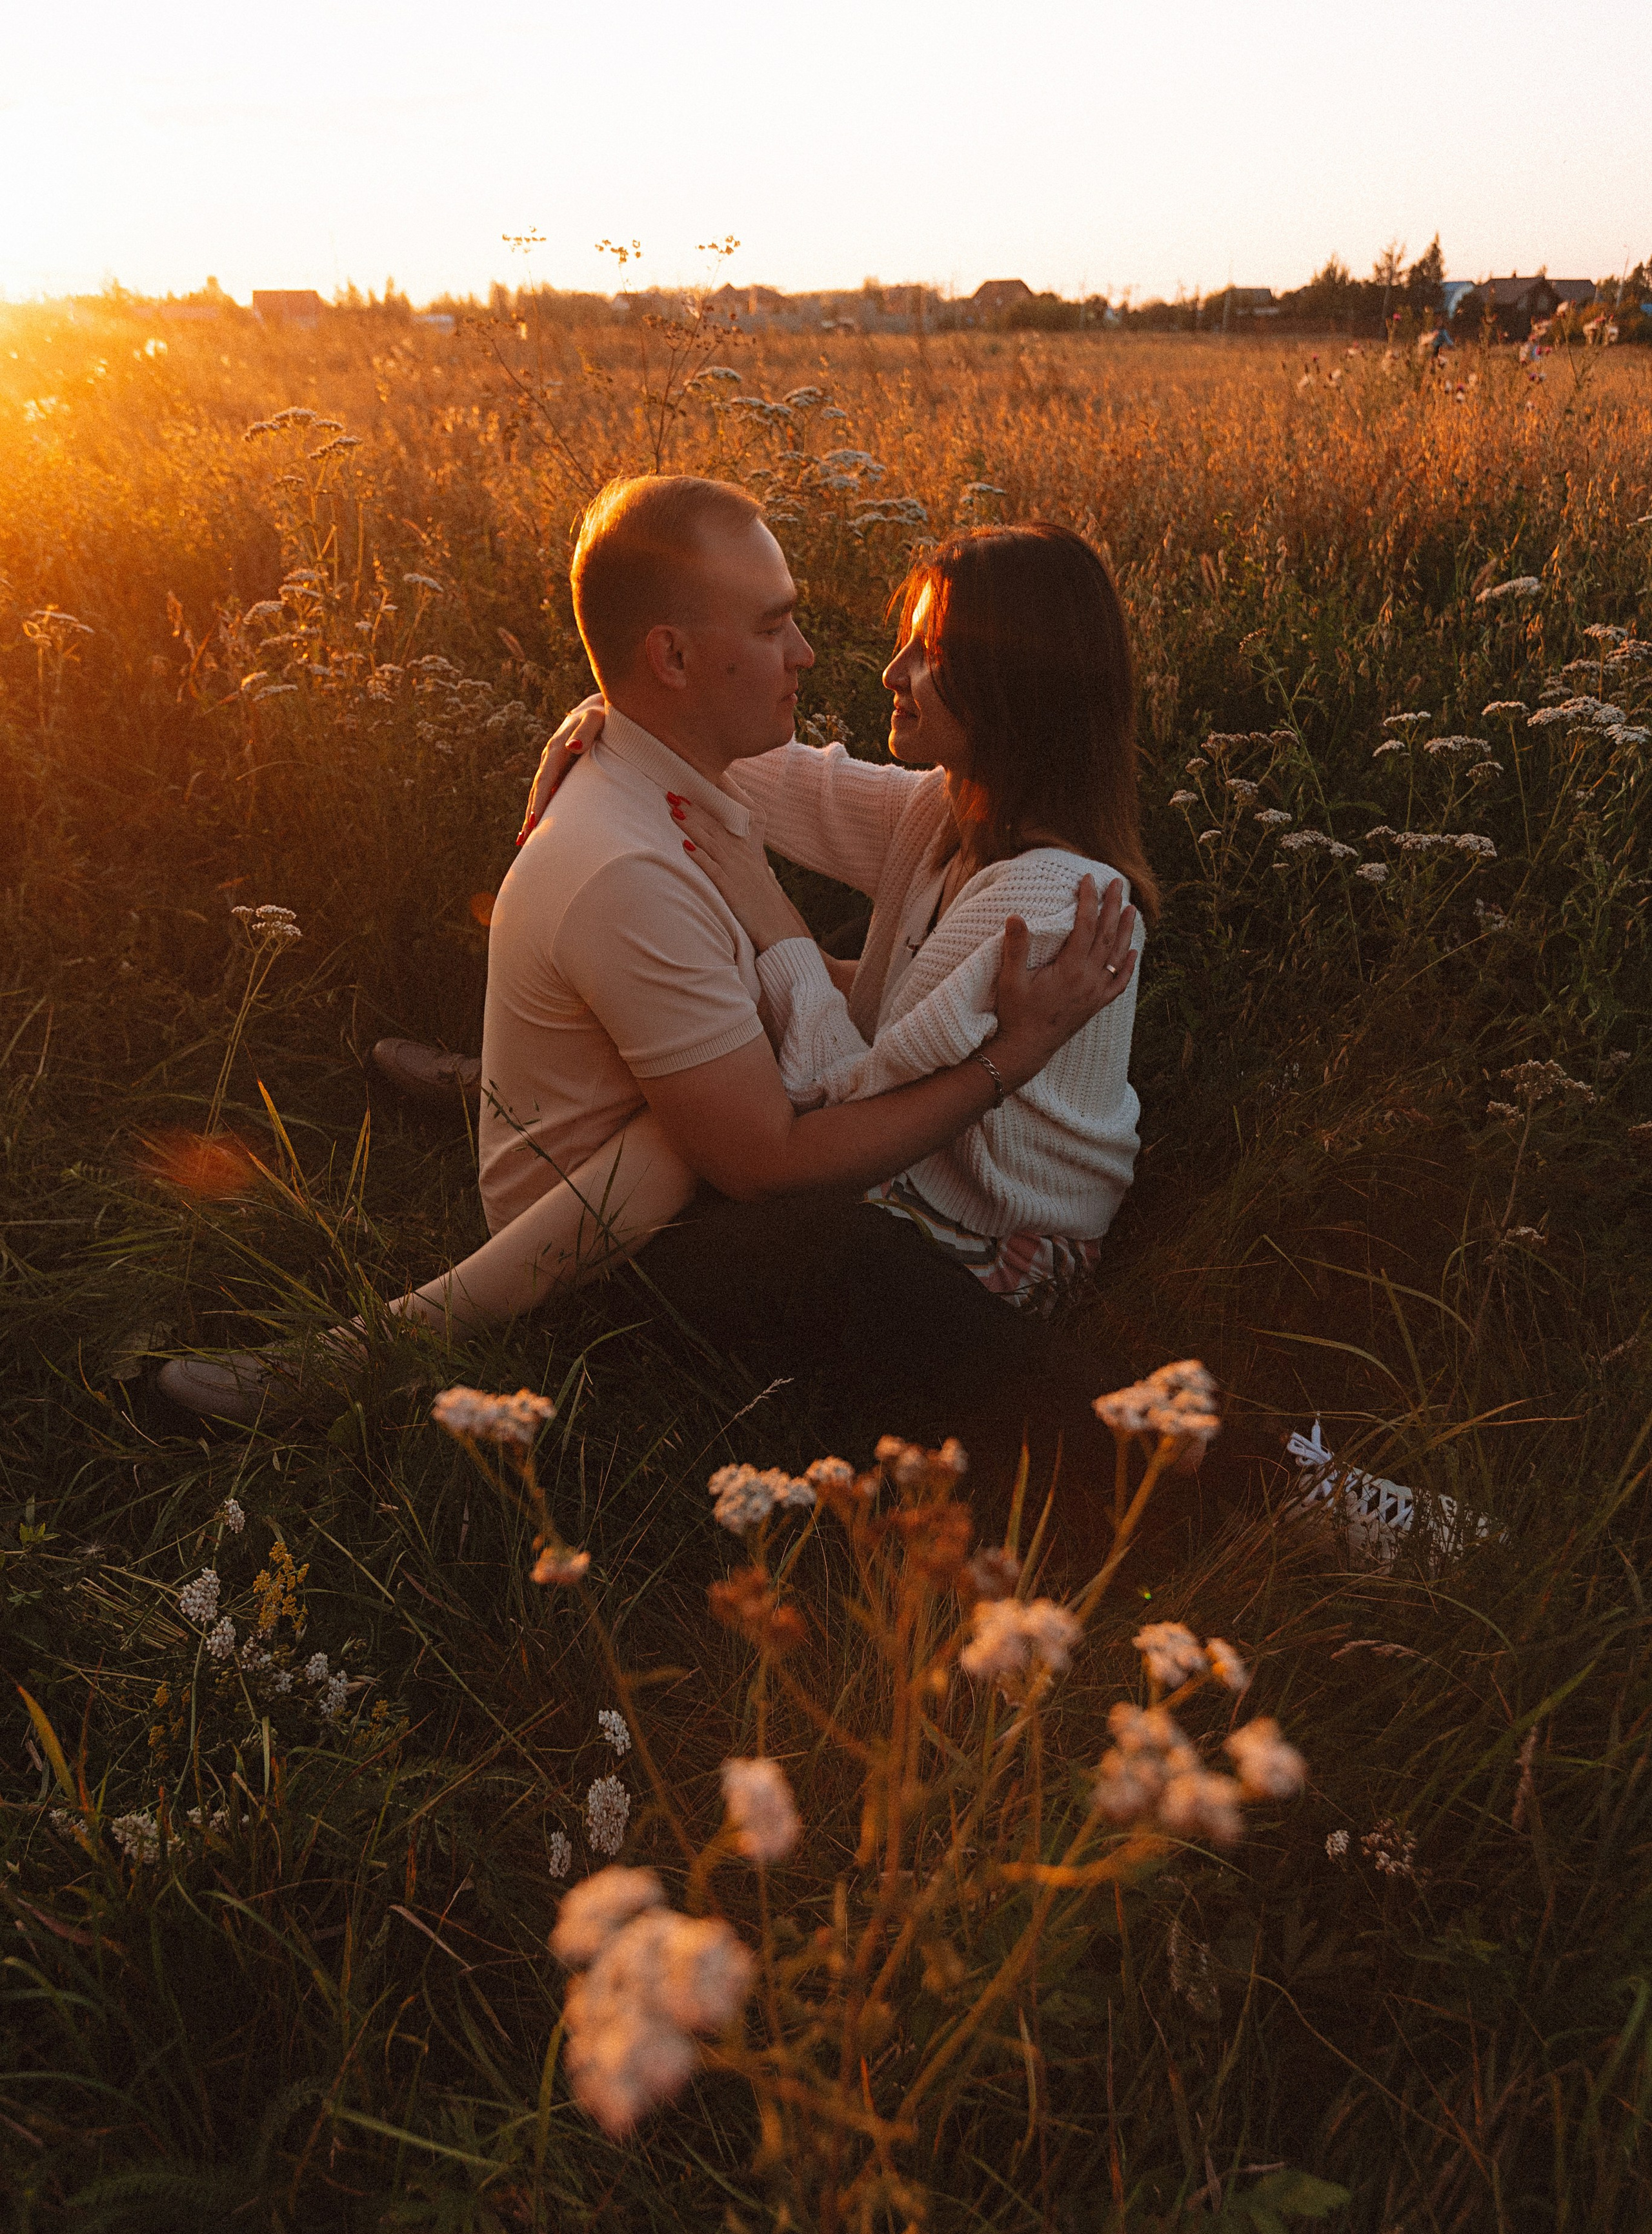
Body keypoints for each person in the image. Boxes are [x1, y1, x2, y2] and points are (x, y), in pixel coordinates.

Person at [157, 479, 1150, 1493]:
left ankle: (1230, 1468)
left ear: (1018, 686)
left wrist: (776, 924)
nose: (871, 667)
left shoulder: (1049, 905)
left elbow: (841, 1096)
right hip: (908, 1099)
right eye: (779, 626)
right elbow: (782, 778)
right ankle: (520, 1088)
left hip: (996, 1229)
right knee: (775, 1016)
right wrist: (613, 710)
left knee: (793, 1191)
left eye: (931, 654)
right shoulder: (945, 810)